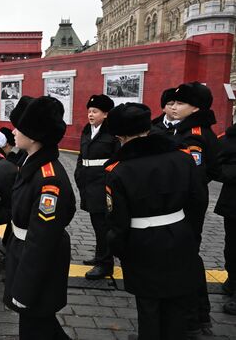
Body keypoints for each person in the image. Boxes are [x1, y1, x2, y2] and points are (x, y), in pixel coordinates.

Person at [104, 103, 206, 340]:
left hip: (142, 242)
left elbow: (117, 222)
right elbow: (198, 201)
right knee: (177, 300)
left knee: (148, 305)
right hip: (180, 234)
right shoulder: (182, 157)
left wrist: (118, 249)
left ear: (119, 134)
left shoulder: (118, 170)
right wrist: (190, 235)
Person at [3, 96, 75, 340]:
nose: (13, 131)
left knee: (35, 327)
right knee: (41, 325)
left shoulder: (48, 180)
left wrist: (24, 290)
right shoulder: (30, 161)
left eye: (19, 128)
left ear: (33, 136)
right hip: (24, 254)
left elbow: (41, 241)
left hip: (37, 264)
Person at [171, 81, 220, 334]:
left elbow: (193, 176)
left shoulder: (194, 136)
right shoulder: (187, 130)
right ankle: (198, 316)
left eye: (181, 103)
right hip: (189, 203)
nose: (174, 107)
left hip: (187, 206)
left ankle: (193, 319)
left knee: (186, 260)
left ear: (196, 107)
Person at [74, 94, 118, 280]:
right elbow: (81, 155)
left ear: (106, 114)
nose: (91, 115)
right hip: (88, 183)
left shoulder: (112, 134)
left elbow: (117, 160)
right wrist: (78, 174)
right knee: (96, 223)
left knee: (104, 226)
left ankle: (105, 264)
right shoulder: (87, 130)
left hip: (102, 184)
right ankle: (100, 256)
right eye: (89, 111)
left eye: (95, 111)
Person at [213, 124, 236, 315]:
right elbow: (215, 165)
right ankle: (233, 280)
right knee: (232, 246)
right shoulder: (228, 138)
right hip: (234, 204)